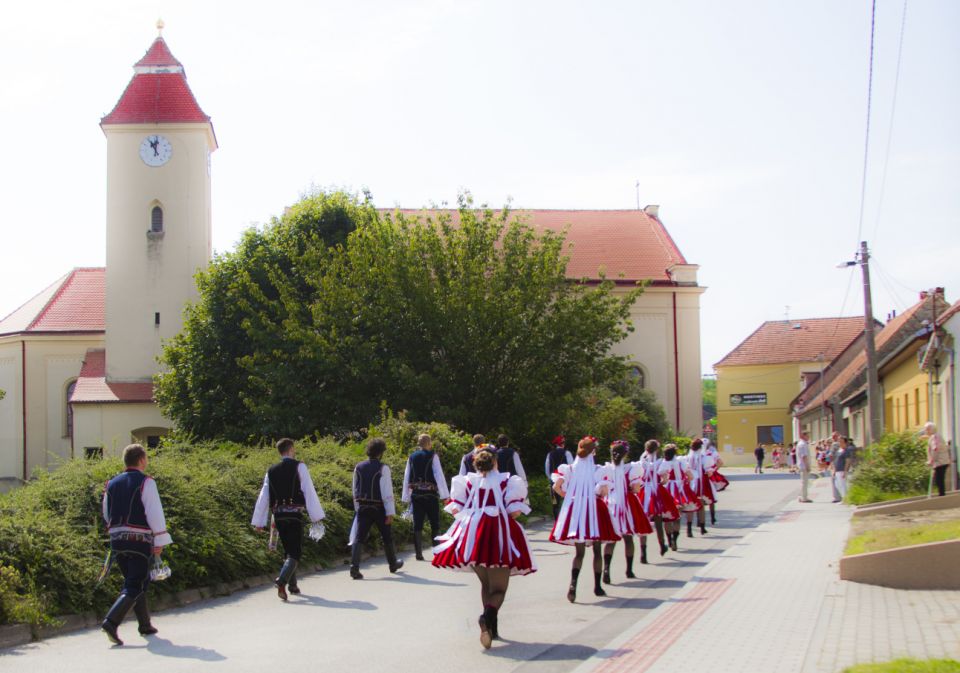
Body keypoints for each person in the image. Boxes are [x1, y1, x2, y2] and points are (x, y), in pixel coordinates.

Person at [432, 448, 535, 649]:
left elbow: (456, 509)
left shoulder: (467, 482)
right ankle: (486, 618)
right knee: (499, 589)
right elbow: (514, 512)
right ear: (496, 461)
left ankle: (492, 629)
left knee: (486, 585)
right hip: (498, 535)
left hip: (473, 536)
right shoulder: (508, 481)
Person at [100, 444, 172, 646]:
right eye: (146, 458)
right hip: (139, 540)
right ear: (141, 460)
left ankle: (145, 624)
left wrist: (116, 530)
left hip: (117, 539)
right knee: (136, 583)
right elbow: (154, 511)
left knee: (136, 581)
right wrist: (159, 539)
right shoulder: (146, 482)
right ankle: (111, 622)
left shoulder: (111, 483)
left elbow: (106, 512)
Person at [252, 438, 326, 600]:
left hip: (278, 515)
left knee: (288, 551)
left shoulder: (271, 470)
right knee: (295, 553)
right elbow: (309, 491)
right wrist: (316, 517)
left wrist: (259, 521)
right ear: (291, 449)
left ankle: (293, 586)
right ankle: (282, 581)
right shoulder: (299, 466)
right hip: (294, 515)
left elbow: (264, 496)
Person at [550, 436, 620, 602]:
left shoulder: (569, 469)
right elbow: (603, 491)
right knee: (597, 551)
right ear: (593, 451)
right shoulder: (598, 469)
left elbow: (556, 486)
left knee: (579, 554)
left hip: (576, 508)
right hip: (594, 509)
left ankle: (573, 585)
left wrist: (568, 496)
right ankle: (597, 586)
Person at [349, 437, 403, 579]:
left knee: (359, 537)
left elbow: (355, 490)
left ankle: (354, 568)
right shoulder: (383, 468)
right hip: (379, 508)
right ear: (380, 453)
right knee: (386, 536)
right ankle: (393, 564)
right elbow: (387, 492)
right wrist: (390, 512)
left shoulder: (358, 467)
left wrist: (357, 508)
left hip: (363, 507)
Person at [601, 440, 652, 583]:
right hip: (626, 504)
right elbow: (636, 489)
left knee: (611, 540)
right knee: (628, 539)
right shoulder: (631, 468)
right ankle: (629, 570)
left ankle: (606, 569)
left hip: (610, 504)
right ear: (626, 454)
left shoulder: (605, 469)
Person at [402, 433, 450, 560]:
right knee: (435, 523)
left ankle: (418, 553)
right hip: (430, 495)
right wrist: (445, 495)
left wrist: (406, 496)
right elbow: (439, 475)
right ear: (429, 443)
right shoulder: (433, 456)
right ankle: (437, 553)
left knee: (417, 524)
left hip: (416, 494)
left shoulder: (412, 456)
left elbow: (407, 476)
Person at [637, 439, 679, 556]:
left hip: (644, 491)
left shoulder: (641, 462)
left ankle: (643, 552)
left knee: (643, 520)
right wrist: (662, 482)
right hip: (656, 490)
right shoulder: (661, 462)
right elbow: (664, 480)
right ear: (656, 449)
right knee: (658, 521)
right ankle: (662, 545)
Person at [658, 444, 697, 551]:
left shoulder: (664, 463)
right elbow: (691, 476)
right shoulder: (681, 462)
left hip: (668, 490)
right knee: (677, 517)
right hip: (680, 489)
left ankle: (669, 539)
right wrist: (685, 481)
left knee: (667, 517)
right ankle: (675, 539)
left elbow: (663, 480)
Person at [681, 439, 715, 536]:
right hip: (699, 482)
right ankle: (702, 527)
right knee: (701, 505)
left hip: (689, 482)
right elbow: (709, 472)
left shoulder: (686, 458)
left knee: (690, 505)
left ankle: (689, 529)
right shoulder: (704, 458)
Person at [544, 435, 573, 520]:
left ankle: (557, 522)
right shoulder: (567, 453)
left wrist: (551, 479)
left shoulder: (549, 454)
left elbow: (547, 469)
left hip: (553, 481)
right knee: (568, 501)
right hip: (566, 482)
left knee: (555, 503)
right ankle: (567, 521)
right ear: (562, 444)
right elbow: (572, 468)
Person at [924, 422, 953, 497]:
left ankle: (942, 496)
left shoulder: (935, 437)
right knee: (939, 479)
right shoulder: (934, 437)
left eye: (927, 429)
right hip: (940, 462)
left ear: (931, 429)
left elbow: (935, 449)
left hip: (941, 462)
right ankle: (941, 494)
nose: (926, 431)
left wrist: (931, 461)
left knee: (939, 479)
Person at [832, 436, 851, 501]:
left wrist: (845, 471)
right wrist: (834, 470)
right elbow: (835, 460)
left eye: (841, 441)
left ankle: (845, 499)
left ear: (845, 442)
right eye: (839, 441)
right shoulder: (839, 450)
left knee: (843, 485)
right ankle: (843, 497)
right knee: (837, 484)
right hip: (837, 470)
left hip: (842, 470)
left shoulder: (846, 451)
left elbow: (848, 461)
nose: (840, 443)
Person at [796, 431, 812, 502]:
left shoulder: (802, 443)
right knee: (804, 482)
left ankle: (801, 496)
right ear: (803, 436)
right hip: (804, 465)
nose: (809, 437)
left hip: (802, 465)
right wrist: (807, 466)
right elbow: (804, 456)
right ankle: (804, 498)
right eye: (807, 435)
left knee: (803, 482)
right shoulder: (802, 444)